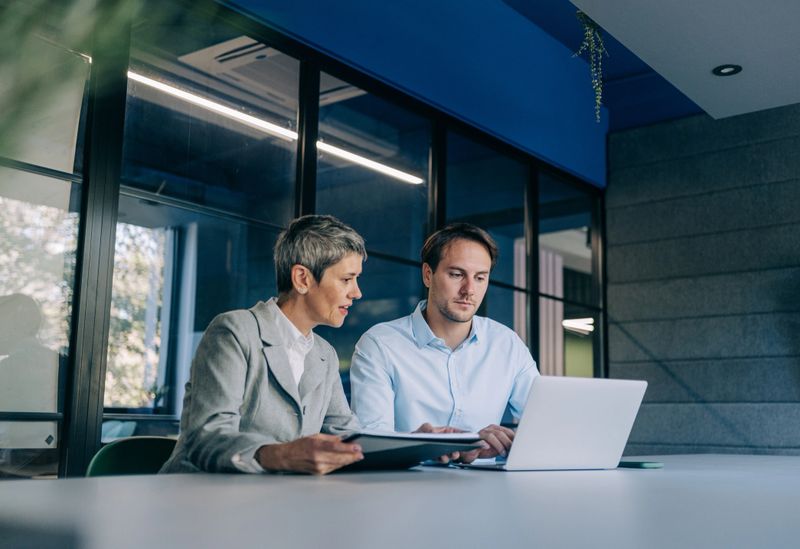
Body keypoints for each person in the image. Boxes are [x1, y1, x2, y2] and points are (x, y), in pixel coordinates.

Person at [161, 215, 366, 475]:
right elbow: (207, 437)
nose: (357, 292)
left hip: (280, 502)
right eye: (347, 279)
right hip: (204, 499)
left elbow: (348, 436)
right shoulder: (234, 331)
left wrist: (411, 444)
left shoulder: (325, 354)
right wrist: (283, 454)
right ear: (302, 279)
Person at [349, 223, 539, 460]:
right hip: (407, 486)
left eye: (480, 277)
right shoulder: (380, 344)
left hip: (488, 488)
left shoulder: (506, 344)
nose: (469, 289)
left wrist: (509, 445)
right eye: (457, 275)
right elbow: (370, 443)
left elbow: (546, 424)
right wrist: (430, 445)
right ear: (428, 275)